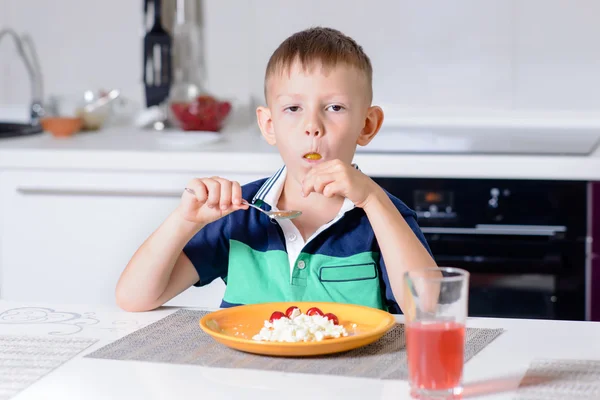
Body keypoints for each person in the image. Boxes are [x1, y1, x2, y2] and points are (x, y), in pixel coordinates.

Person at [116, 26, 437, 314]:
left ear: (366, 125)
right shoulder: (238, 212)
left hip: (354, 379)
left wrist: (372, 199)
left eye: (335, 107)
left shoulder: (382, 214)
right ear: (269, 125)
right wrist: (183, 221)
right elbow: (134, 299)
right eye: (293, 108)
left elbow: (428, 308)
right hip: (245, 379)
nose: (312, 126)